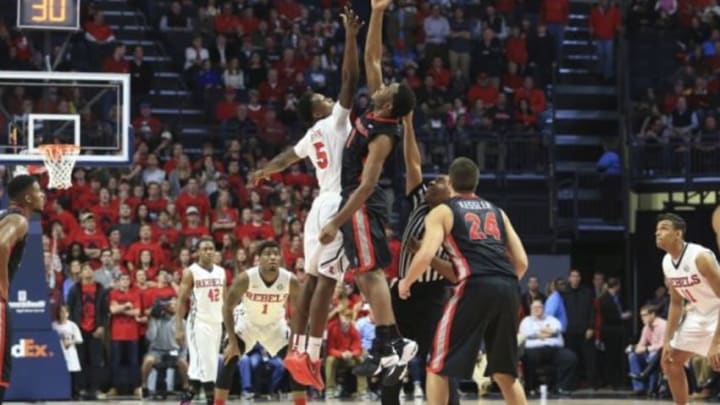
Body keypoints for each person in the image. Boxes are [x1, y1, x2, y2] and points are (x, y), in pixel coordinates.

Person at [247, 5, 362, 390]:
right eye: (324, 97)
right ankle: (309, 355)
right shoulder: (334, 121)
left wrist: (265, 170)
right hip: (333, 205)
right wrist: (350, 37)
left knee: (311, 282)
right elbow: (350, 78)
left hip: (316, 207)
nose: (331, 98)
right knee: (325, 285)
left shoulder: (311, 135)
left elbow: (286, 157)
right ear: (318, 107)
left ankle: (298, 350)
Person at [318, 0, 418, 384]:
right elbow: (373, 58)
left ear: (389, 102)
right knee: (363, 274)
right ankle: (390, 342)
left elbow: (368, 185)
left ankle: (390, 343)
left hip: (362, 201)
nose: (382, 82)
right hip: (356, 200)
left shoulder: (382, 138)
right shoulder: (381, 107)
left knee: (370, 272)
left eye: (388, 87)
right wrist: (377, 13)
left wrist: (335, 221)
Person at [399, 157, 529, 405]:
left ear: (451, 182)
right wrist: (500, 285)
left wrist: (406, 282)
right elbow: (521, 262)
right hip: (509, 286)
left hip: (474, 285)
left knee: (437, 364)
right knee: (505, 372)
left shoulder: (443, 211)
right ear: (476, 182)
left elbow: (425, 253)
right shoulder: (497, 211)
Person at [382, 112, 459, 405]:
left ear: (449, 193)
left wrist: (424, 256)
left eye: (439, 181)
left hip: (431, 296)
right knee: (393, 353)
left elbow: (454, 274)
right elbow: (413, 162)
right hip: (400, 291)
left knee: (436, 357)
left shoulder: (455, 222)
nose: (432, 182)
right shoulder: (419, 200)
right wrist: (410, 125)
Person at [214, 240, 303, 405]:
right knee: (229, 358)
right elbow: (227, 308)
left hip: (275, 326)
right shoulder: (246, 278)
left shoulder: (290, 280)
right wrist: (232, 342)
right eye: (268, 254)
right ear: (258, 258)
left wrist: (294, 341)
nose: (272, 257)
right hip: (247, 324)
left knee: (296, 362)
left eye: (276, 254)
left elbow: (299, 312)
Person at [656, 213, 720, 405]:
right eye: (657, 230)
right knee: (670, 361)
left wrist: (716, 341)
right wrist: (666, 340)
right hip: (699, 314)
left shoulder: (700, 257)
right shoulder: (667, 262)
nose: (658, 233)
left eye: (664, 228)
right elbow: (676, 303)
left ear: (678, 234)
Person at [0, 175, 45, 400]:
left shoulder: (5, 216)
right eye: (38, 191)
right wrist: (3, 286)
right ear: (27, 197)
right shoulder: (19, 220)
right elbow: (0, 245)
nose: (43, 195)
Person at [176, 237, 226, 405]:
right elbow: (181, 300)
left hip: (216, 322)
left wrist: (228, 324)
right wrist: (178, 327)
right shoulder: (191, 272)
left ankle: (186, 400)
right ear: (197, 252)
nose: (208, 251)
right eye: (204, 248)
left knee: (201, 367)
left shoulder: (221, 271)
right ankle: (211, 399)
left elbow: (224, 299)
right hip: (198, 323)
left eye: (211, 248)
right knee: (207, 364)